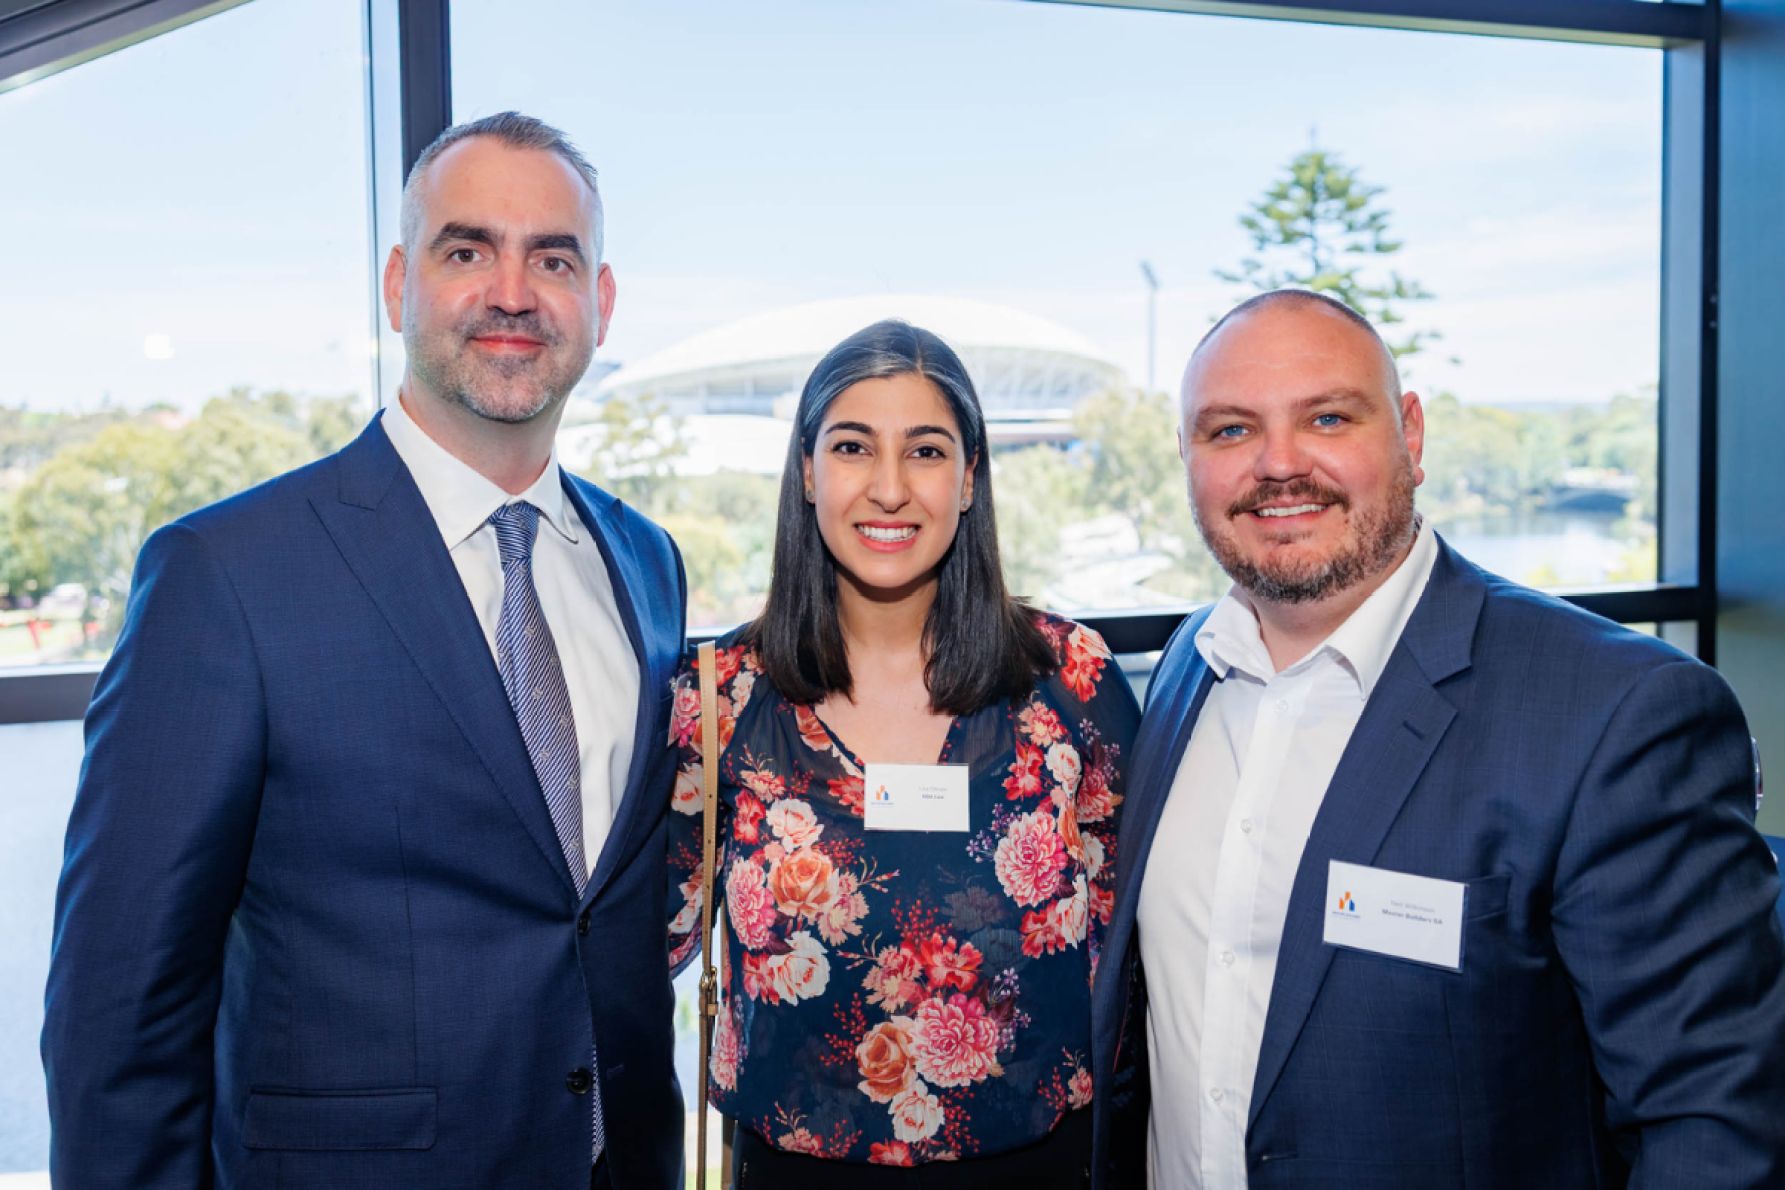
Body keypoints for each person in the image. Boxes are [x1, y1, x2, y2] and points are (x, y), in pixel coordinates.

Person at [42, 112, 685, 1189]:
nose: (514, 292)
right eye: (467, 249)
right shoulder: (226, 575)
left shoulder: (648, 563)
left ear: (601, 303)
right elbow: (122, 1010)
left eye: (554, 257)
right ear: (398, 285)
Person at [1090, 289, 1785, 1188]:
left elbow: (1710, 1126)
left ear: (1409, 436)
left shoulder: (1616, 713)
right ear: (1185, 457)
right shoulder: (1191, 661)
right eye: (1228, 431)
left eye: (1327, 416)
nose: (1278, 463)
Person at [665, 319, 1138, 1187]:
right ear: (807, 473)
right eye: (852, 447)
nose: (889, 488)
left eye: (924, 451)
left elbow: (1135, 939)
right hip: (795, 1171)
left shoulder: (1070, 678)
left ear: (968, 480)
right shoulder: (718, 696)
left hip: (1039, 1165)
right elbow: (650, 934)